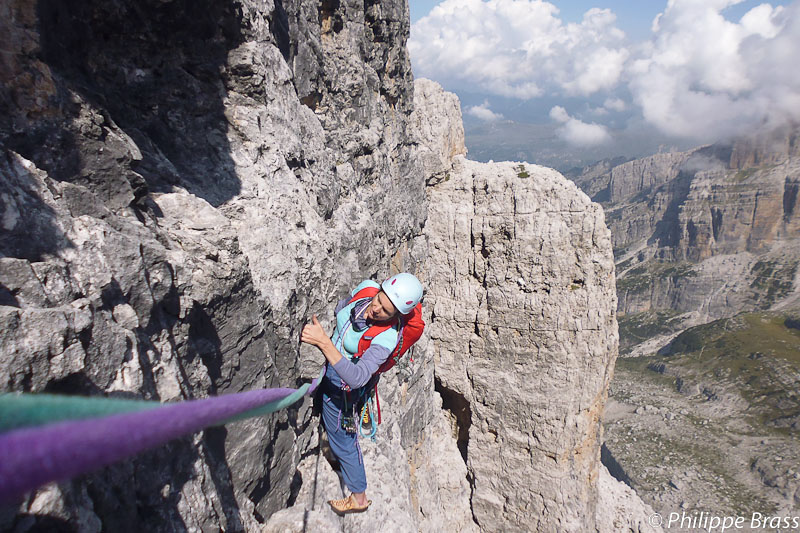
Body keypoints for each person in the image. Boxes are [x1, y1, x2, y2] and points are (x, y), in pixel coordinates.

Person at [300, 272, 424, 515]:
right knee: (336, 432)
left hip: (342, 389)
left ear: (396, 316)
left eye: (385, 311)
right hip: (334, 373)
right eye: (378, 299)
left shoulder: (386, 338)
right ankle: (336, 455)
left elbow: (357, 378)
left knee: (345, 439)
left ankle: (359, 497)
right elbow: (343, 309)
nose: (375, 309)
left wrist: (324, 343)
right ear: (378, 289)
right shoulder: (366, 289)